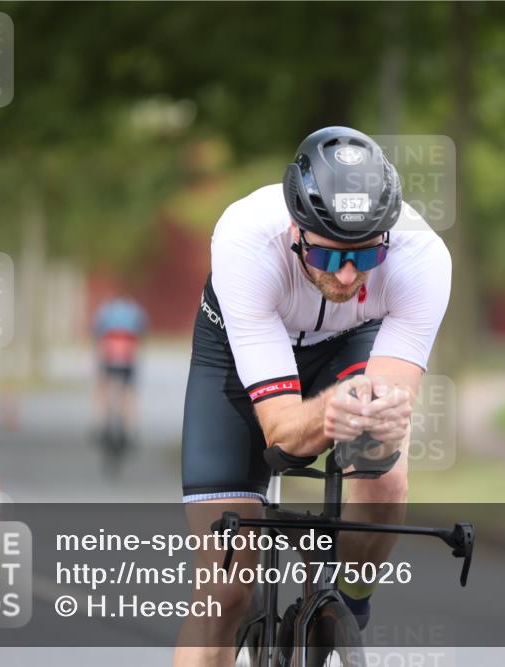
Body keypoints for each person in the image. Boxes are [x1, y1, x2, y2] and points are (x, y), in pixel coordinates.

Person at [175, 126, 450, 666]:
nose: (347, 275)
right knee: (224, 593)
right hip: (235, 355)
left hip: (352, 341)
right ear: (296, 231)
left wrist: (376, 417)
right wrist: (333, 408)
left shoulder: (423, 257)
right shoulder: (245, 239)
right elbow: (282, 435)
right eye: (327, 259)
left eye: (365, 258)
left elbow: (388, 407)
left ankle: (350, 601)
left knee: (384, 465)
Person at [92, 292, 148, 443]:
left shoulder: (105, 310)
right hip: (128, 353)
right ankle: (130, 427)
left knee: (102, 386)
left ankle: (101, 423)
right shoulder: (135, 310)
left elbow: (97, 332)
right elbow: (142, 332)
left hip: (109, 352)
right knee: (129, 390)